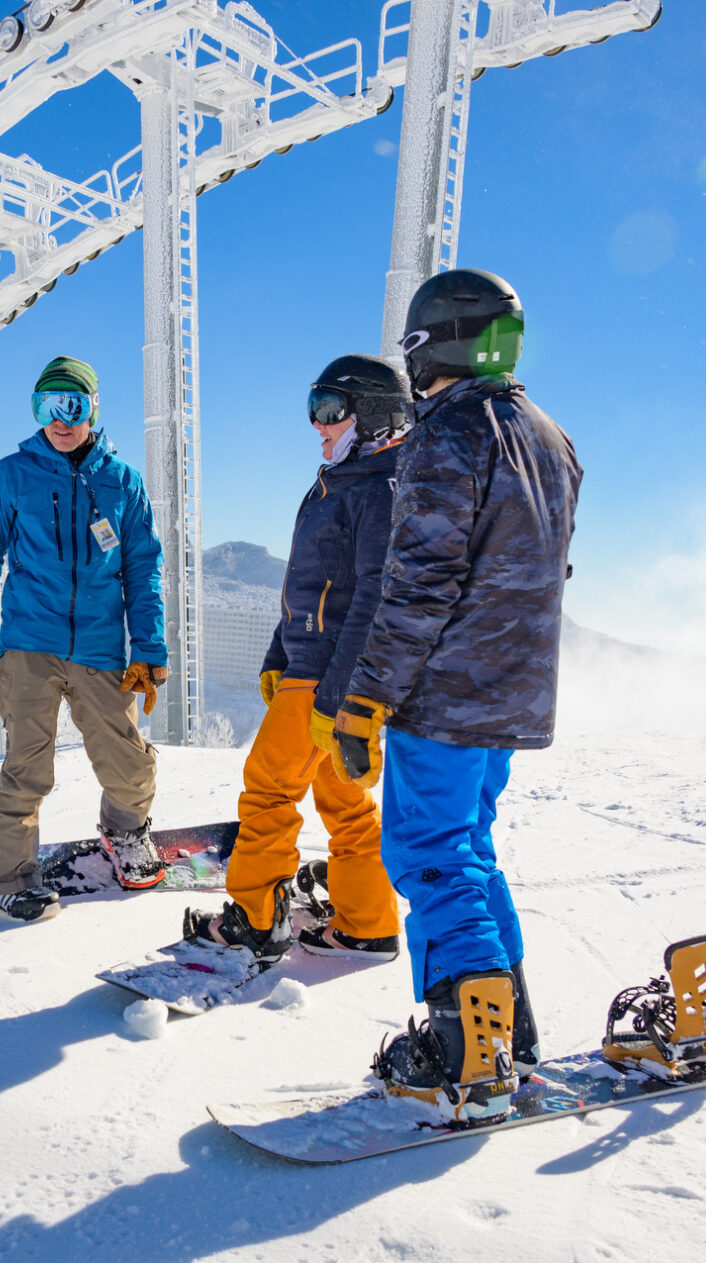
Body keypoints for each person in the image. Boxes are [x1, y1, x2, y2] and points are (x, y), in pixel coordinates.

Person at [328, 269, 580, 1126]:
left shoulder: (451, 435)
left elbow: (419, 585)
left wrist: (366, 700)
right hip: (512, 692)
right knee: (468, 849)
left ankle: (465, 1049)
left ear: (433, 342)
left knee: (430, 852)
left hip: (449, 693)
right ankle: (509, 1027)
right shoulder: (549, 437)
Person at [182, 354, 410, 967]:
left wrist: (332, 696)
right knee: (345, 804)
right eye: (314, 408)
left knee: (267, 790)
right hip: (315, 670)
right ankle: (367, 922)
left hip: (328, 680)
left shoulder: (379, 488)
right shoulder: (343, 481)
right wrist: (277, 652)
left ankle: (255, 919)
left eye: (332, 410)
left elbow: (372, 601)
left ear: (376, 416)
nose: (318, 423)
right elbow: (306, 588)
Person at [0, 355, 170, 922]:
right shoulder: (14, 475)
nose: (59, 419)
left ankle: (126, 833)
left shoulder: (122, 483)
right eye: (47, 406)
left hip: (98, 647)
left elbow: (143, 570)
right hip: (29, 643)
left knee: (128, 764)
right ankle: (15, 879)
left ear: (92, 409)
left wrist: (149, 649)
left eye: (72, 405)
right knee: (27, 767)